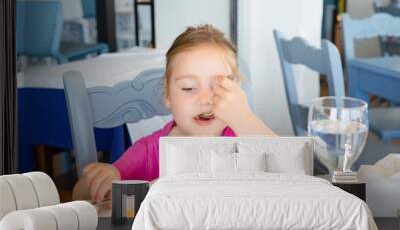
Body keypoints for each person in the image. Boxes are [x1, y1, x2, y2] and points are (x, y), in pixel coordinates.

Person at [73, 24, 277, 202]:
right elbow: (84, 197)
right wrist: (103, 179)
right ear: (168, 95)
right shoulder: (152, 151)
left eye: (219, 87)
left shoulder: (243, 138)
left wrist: (244, 117)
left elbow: (291, 168)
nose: (205, 99)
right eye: (188, 88)